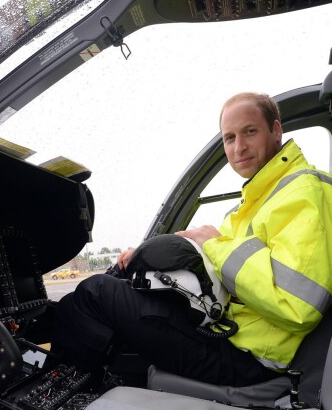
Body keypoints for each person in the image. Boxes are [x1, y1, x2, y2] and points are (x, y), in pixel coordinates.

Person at [42, 92, 332, 386]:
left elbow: (297, 305)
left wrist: (215, 244)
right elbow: (225, 264)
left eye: (250, 131)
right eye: (229, 138)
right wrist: (155, 251)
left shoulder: (300, 191)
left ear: (276, 130)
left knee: (97, 292)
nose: (239, 147)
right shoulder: (260, 198)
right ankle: (52, 341)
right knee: (120, 281)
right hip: (233, 331)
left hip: (250, 355)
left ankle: (54, 391)